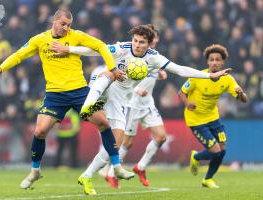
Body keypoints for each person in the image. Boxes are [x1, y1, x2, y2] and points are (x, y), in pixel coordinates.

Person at [51, 24, 232, 193]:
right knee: (106, 72)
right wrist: (68, 49)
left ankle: (86, 176)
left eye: (141, 42)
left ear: (149, 43)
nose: (137, 45)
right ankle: (87, 106)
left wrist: (210, 75)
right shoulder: (122, 47)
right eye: (135, 41)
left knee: (115, 145)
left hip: (121, 101)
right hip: (103, 87)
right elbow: (95, 50)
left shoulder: (153, 57)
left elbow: (180, 70)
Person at [0, 9, 132, 193]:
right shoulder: (39, 40)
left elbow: (102, 46)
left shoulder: (76, 36)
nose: (66, 28)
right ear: (54, 21)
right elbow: (19, 54)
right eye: (63, 24)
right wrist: (1, 67)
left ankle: (116, 166)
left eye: (69, 25)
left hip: (80, 91)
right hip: (55, 95)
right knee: (40, 131)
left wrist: (112, 68)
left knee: (104, 122)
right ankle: (35, 171)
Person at [103, 26, 168, 188]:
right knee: (127, 143)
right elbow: (129, 77)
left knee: (161, 137)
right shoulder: (133, 55)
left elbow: (152, 74)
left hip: (148, 104)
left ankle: (140, 167)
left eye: (156, 38)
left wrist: (159, 75)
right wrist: (137, 89)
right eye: (155, 38)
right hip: (132, 103)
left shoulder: (154, 57)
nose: (156, 41)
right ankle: (111, 174)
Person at [178, 44, 248, 188]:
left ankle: (207, 179)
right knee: (215, 151)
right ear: (207, 62)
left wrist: (241, 94)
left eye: (218, 60)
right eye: (211, 59)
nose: (214, 62)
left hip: (213, 118)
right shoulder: (198, 77)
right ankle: (196, 157)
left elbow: (244, 100)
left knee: (222, 150)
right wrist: (187, 103)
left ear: (223, 63)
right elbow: (181, 93)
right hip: (196, 119)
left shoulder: (227, 79)